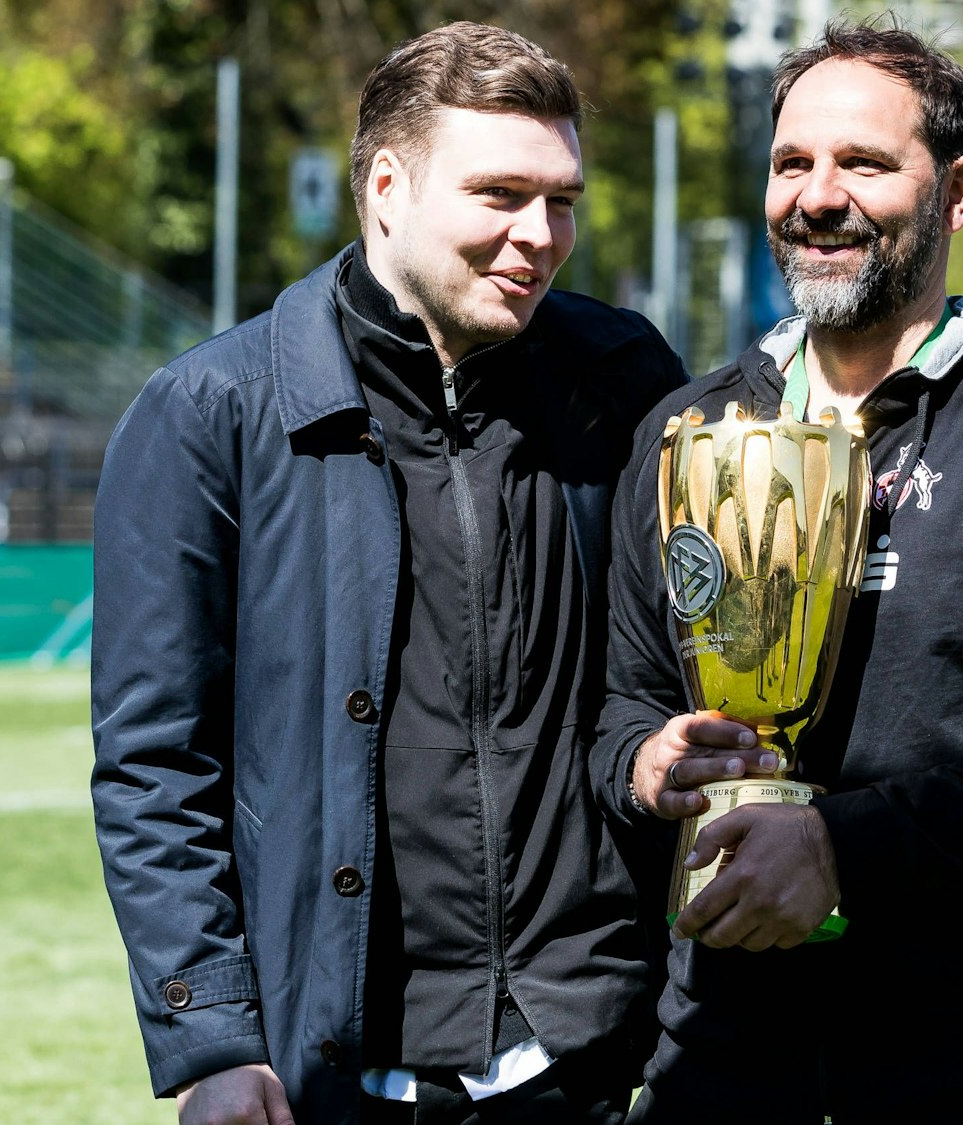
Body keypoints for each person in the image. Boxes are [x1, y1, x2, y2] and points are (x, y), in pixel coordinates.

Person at [91, 23, 689, 1125]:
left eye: (562, 200)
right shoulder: (209, 414)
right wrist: (210, 1040)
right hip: (334, 1077)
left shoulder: (626, 378)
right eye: (498, 194)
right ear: (383, 186)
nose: (538, 236)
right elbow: (151, 767)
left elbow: (659, 678)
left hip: (597, 1066)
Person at [595, 22, 963, 1125]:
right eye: (791, 163)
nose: (818, 197)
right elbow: (617, 698)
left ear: (955, 191)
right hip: (709, 1065)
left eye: (862, 163)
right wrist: (645, 759)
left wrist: (839, 849)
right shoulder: (687, 430)